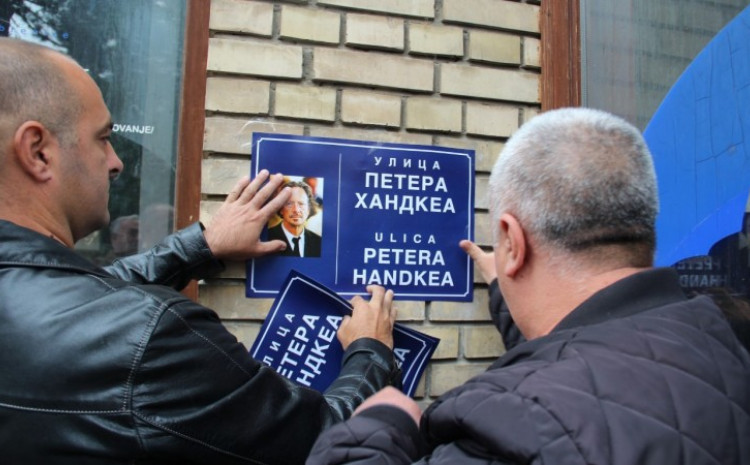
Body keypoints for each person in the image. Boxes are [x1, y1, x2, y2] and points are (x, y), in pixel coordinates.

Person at [0, 37, 400, 464]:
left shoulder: (39, 298)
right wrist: (371, 351)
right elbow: (319, 442)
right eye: (103, 139)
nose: (116, 162)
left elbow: (81, 302)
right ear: (38, 152)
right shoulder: (152, 339)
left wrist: (202, 244)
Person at [306, 108, 750, 464]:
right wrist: (507, 284)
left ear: (512, 242)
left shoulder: (511, 432)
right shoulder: (724, 344)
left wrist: (377, 428)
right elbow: (595, 368)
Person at [267, 180, 322, 257]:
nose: (296, 210)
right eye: (289, 204)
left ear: (309, 210)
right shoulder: (268, 238)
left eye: (301, 204)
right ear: (281, 209)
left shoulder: (318, 242)